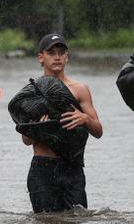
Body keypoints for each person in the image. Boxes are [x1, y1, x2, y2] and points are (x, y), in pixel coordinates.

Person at [21, 34, 103, 213]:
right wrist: (37, 129)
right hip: (43, 168)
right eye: (51, 53)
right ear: (41, 57)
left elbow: (98, 131)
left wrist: (85, 119)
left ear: (67, 57)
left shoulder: (80, 90)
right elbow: (26, 140)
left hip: (72, 167)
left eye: (61, 52)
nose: (57, 57)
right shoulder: (32, 92)